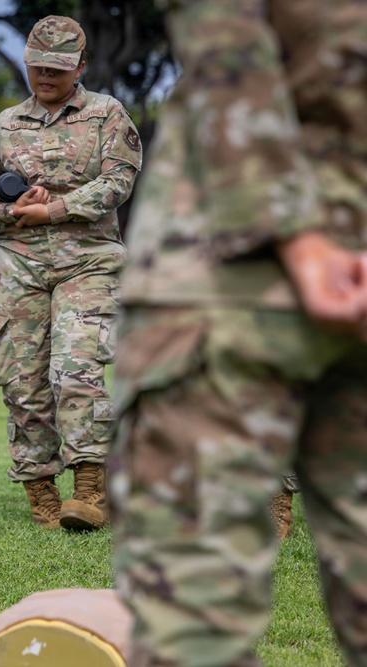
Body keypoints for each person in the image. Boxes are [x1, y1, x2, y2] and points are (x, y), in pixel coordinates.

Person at [110, 0, 367, 664]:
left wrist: (293, 231)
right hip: (238, 289)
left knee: (195, 633)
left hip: (224, 278)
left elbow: (223, 29)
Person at [0, 15, 142, 531]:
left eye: (58, 69)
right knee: (22, 379)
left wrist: (54, 210)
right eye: (38, 67)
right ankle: (41, 491)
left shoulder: (108, 115)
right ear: (25, 62)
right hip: (16, 263)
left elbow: (118, 180)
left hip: (89, 259)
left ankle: (89, 489)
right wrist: (6, 209)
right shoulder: (4, 125)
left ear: (81, 67)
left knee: (76, 368)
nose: (46, 77)